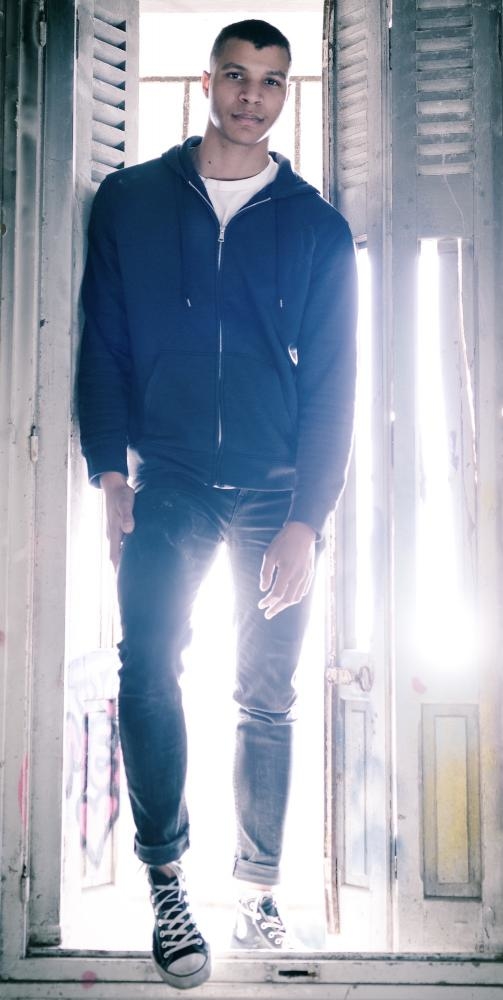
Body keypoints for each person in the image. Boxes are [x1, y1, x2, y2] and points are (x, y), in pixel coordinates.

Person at [78, 18, 357, 991]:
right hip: (172, 478)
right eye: (236, 76)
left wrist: (306, 520)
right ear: (207, 84)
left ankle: (257, 889)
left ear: (285, 93)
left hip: (276, 489)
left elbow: (334, 386)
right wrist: (108, 472)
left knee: (266, 691)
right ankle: (167, 882)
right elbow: (103, 341)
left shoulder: (315, 228)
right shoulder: (131, 202)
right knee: (147, 663)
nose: (251, 96)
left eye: (271, 82)